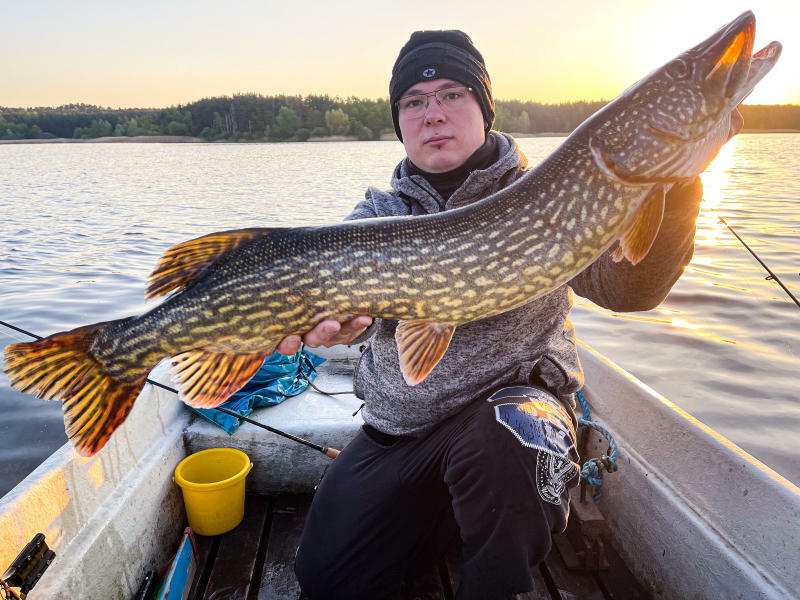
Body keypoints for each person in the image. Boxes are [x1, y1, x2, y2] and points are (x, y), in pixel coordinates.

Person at [279, 30, 707, 599]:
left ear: (484, 109)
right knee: (326, 579)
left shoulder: (549, 194)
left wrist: (676, 191)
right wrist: (324, 326)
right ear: (400, 122)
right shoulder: (375, 217)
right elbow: (336, 317)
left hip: (513, 421)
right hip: (401, 432)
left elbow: (628, 291)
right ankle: (446, 519)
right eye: (414, 101)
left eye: (451, 93)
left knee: (511, 441)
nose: (432, 113)